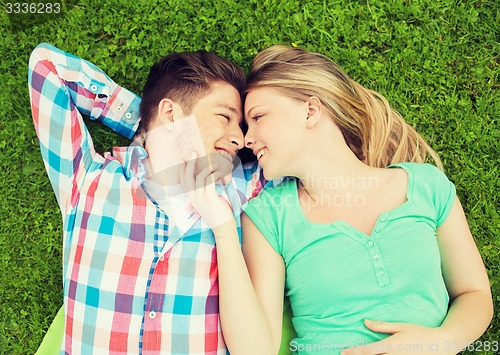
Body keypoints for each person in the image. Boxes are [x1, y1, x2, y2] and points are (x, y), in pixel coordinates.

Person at [180, 45, 493, 354]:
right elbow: (255, 349)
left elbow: (474, 293)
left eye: (258, 117)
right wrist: (222, 226)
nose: (248, 139)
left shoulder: (426, 186)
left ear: (311, 111)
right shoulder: (269, 216)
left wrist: (441, 342)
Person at [28, 42, 289, 354]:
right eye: (225, 116)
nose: (240, 137)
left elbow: (313, 144)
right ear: (170, 111)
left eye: (241, 126)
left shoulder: (249, 189)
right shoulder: (89, 181)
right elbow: (47, 66)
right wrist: (148, 127)